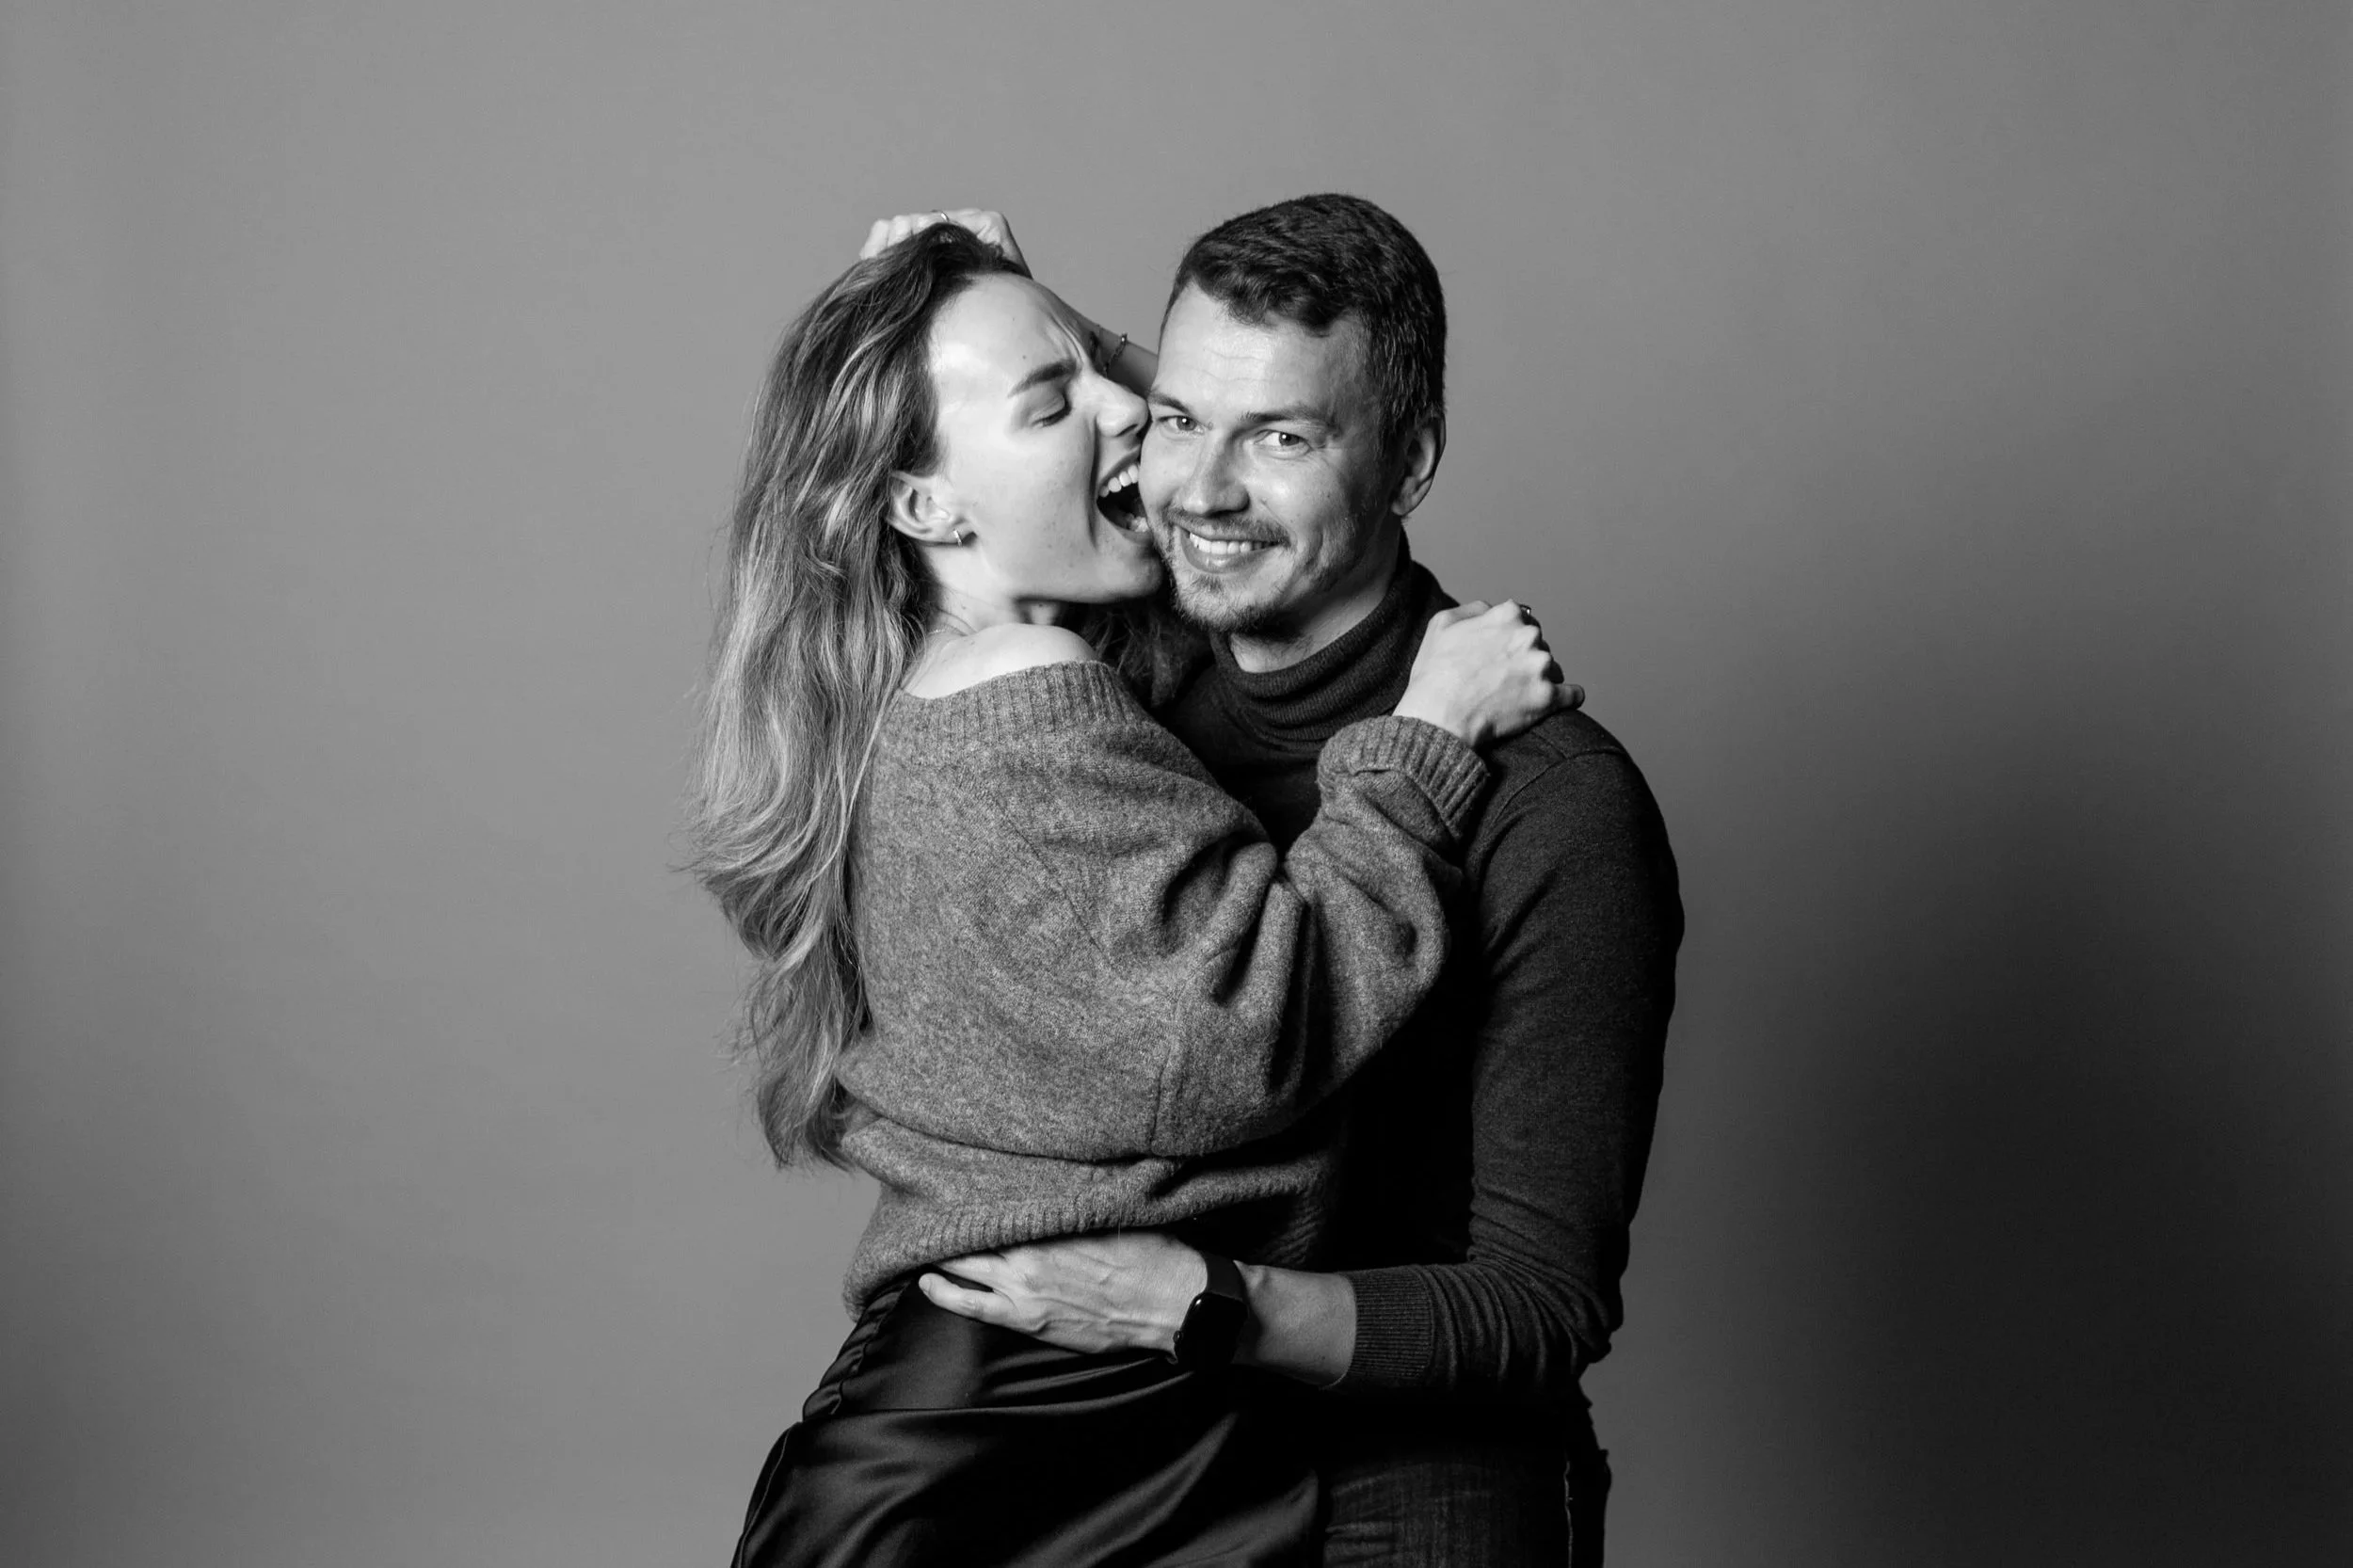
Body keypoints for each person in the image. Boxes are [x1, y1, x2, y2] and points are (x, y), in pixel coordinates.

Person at [695, 221, 1573, 1566]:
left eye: (1118, 382)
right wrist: (1428, 738)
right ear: (927, 505)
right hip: (1048, 1409)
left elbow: (1211, 446)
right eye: (1058, 400)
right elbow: (1262, 1026)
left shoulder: (922, 691)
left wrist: (1021, 306)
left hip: (994, 1398)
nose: (1133, 418)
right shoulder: (1040, 716)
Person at [911, 195, 1684, 1565]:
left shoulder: (1555, 800)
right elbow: (930, 505)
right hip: (1123, 1443)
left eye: (1281, 438)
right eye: (1182, 419)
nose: (1202, 491)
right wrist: (937, 289)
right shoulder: (1111, 696)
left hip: (1408, 1471)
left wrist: (1201, 1303)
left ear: (1409, 456)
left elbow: (1539, 1304)